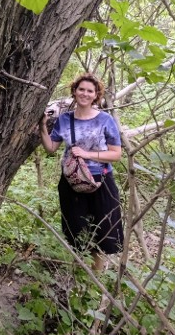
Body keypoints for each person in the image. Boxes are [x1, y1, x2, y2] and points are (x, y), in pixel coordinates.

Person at [40, 73, 123, 271]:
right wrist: (43, 126)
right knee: (76, 230)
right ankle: (77, 274)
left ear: (96, 95)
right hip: (72, 182)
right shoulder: (64, 120)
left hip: (100, 181)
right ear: (75, 91)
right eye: (81, 89)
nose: (85, 94)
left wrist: (87, 154)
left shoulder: (105, 120)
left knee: (104, 232)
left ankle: (96, 278)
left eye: (90, 91)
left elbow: (116, 154)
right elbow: (51, 148)